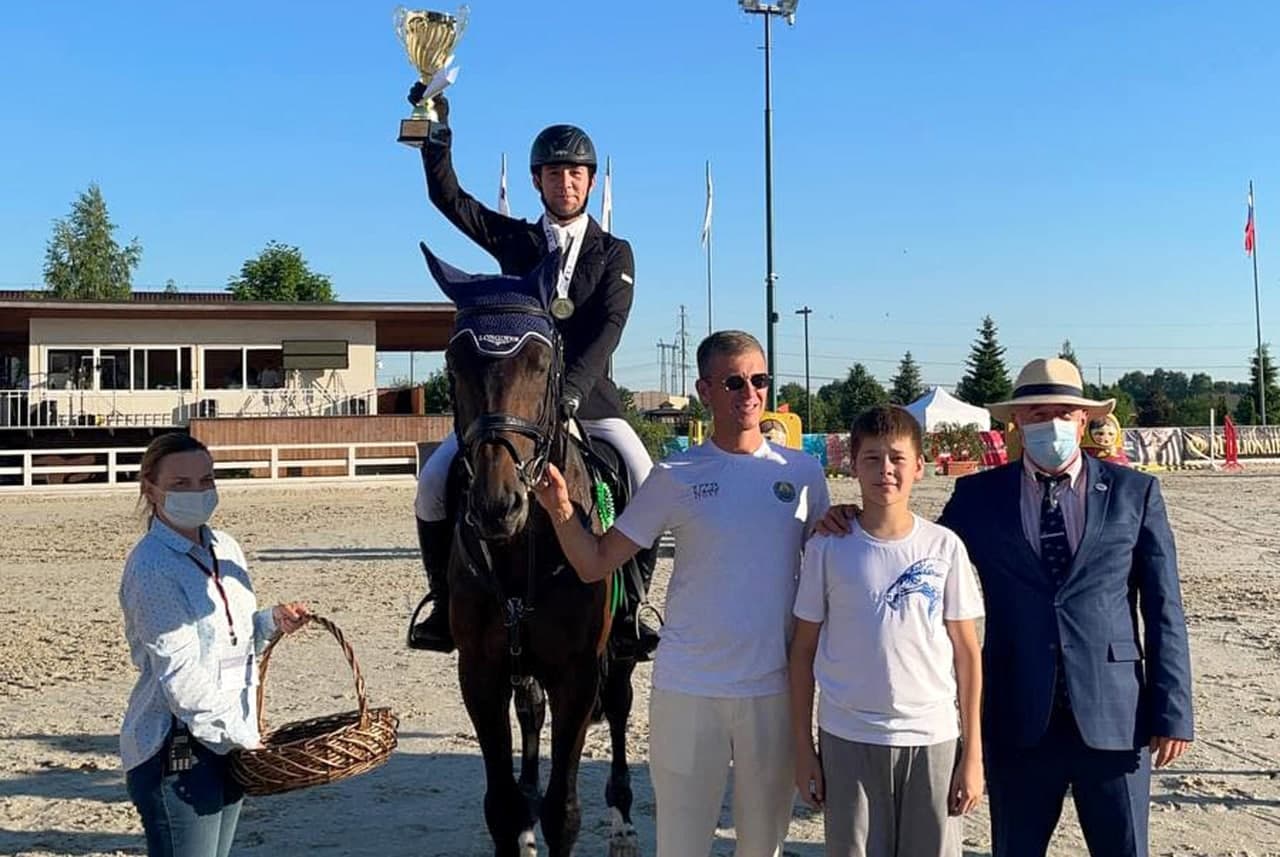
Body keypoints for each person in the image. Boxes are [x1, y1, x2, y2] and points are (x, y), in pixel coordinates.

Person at [822, 357, 1194, 857]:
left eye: (1063, 413)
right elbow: (917, 551)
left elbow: (1165, 608)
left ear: (1084, 419)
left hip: (1115, 717)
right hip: (1017, 718)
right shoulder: (979, 496)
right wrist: (854, 517)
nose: (1051, 423)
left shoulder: (1135, 492)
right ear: (1016, 421)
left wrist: (1173, 711)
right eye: (1037, 414)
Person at [532, 330, 830, 857]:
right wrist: (560, 511)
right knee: (681, 846)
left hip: (773, 691)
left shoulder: (804, 473)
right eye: (734, 382)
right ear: (704, 390)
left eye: (759, 380)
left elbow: (830, 565)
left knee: (763, 847)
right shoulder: (675, 474)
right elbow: (595, 561)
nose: (750, 393)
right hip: (689, 690)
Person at [406, 88, 656, 658]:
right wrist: (435, 132)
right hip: (513, 406)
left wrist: (569, 395)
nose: (565, 183)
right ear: (537, 181)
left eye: (575, 173)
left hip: (588, 401)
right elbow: (449, 198)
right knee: (433, 482)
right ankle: (443, 602)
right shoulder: (515, 240)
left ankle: (631, 610)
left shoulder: (615, 252)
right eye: (553, 173)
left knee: (643, 479)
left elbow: (609, 329)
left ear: (590, 181)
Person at [790, 405, 983, 857]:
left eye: (897, 458)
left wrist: (972, 753)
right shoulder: (827, 546)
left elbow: (967, 653)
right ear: (852, 466)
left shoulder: (944, 547)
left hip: (932, 737)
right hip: (847, 736)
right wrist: (803, 748)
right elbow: (802, 651)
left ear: (919, 466)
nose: (885, 470)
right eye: (872, 458)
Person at [120, 433, 311, 857]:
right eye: (181, 483)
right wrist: (242, 737)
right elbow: (181, 680)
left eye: (206, 480)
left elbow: (233, 637)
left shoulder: (225, 547)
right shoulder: (152, 567)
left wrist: (270, 622)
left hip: (229, 739)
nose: (198, 492)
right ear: (150, 489)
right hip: (178, 748)